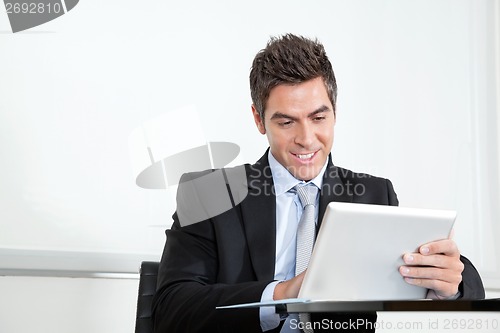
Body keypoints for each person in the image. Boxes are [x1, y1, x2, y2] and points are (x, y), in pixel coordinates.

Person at [151, 34, 485, 333]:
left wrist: (451, 285)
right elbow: (171, 309)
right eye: (286, 122)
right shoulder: (209, 194)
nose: (307, 140)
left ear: (335, 112)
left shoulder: (374, 195)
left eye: (318, 117)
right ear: (258, 119)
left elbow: (446, 289)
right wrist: (285, 292)